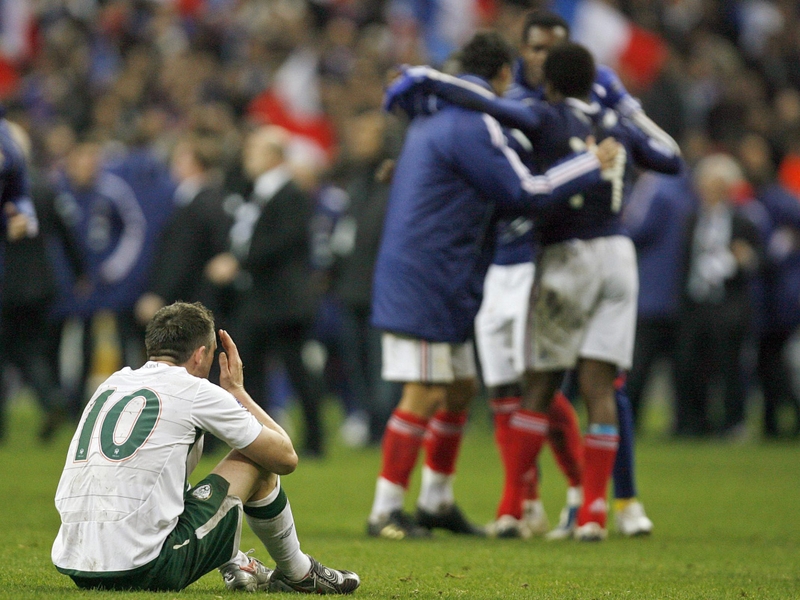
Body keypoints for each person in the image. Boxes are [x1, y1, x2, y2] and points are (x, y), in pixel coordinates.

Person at [387, 10, 671, 539]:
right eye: (535, 49)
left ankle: (579, 501)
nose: (541, 58)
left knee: (549, 387)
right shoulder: (561, 116)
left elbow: (523, 185)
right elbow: (665, 156)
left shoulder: (536, 116)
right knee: (515, 389)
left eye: (552, 50)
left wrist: (428, 79)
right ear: (521, 57)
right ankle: (546, 506)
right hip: (522, 262)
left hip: (544, 261)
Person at [52, 301, 360, 594]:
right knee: (256, 457)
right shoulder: (195, 390)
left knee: (171, 480)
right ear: (200, 355)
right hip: (141, 565)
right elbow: (284, 457)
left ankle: (239, 563)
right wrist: (239, 391)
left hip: (75, 561)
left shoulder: (111, 384)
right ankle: (300, 573)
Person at [206, 126, 326, 457]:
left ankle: (314, 441)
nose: (247, 158)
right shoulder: (260, 191)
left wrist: (238, 260)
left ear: (274, 156)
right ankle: (255, 436)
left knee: (296, 370)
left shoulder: (291, 193)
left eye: (254, 151)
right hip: (261, 299)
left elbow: (285, 241)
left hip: (284, 300)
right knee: (251, 369)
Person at [673, 153, 763, 438]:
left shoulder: (743, 220)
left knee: (730, 366)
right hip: (696, 303)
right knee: (691, 364)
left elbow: (759, 259)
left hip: (729, 304)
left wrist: (742, 259)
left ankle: (732, 423)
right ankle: (693, 423)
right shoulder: (691, 219)